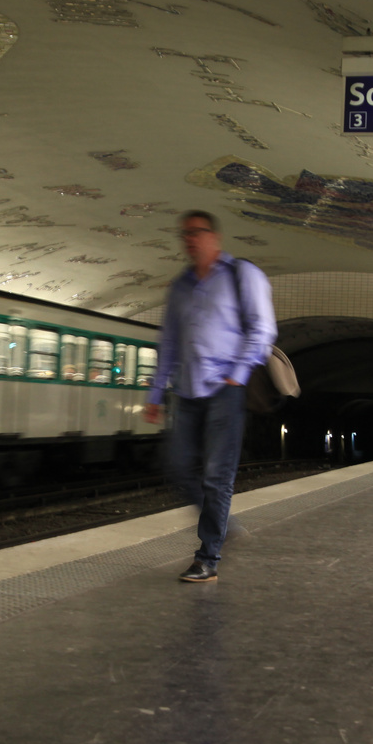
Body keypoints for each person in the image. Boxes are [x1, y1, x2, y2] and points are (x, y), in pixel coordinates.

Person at [142, 211, 276, 583]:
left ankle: (208, 557)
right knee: (178, 465)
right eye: (184, 234)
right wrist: (155, 393)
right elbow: (169, 343)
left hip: (224, 391)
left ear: (214, 237)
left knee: (217, 477)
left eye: (197, 233)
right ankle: (223, 524)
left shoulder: (240, 274)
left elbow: (262, 328)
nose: (189, 240)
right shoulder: (180, 287)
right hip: (186, 392)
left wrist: (238, 374)